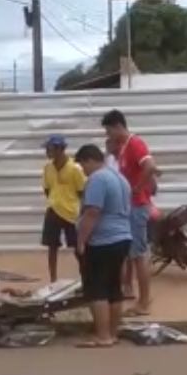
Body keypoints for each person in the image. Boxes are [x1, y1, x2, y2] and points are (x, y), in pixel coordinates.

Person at [72, 144, 134, 348]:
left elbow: (92, 212)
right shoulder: (120, 178)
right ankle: (112, 333)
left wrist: (81, 241)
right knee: (114, 288)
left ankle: (102, 335)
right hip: (123, 237)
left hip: (103, 240)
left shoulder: (98, 179)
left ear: (90, 160)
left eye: (83, 166)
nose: (83, 171)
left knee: (97, 288)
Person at [102, 109, 158, 316]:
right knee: (132, 254)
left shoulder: (135, 143)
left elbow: (150, 166)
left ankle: (144, 302)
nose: (108, 136)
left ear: (118, 127)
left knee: (138, 255)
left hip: (137, 206)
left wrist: (137, 188)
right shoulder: (124, 148)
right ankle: (134, 293)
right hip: (130, 206)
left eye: (109, 131)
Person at [39, 134, 87, 282]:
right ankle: (53, 279)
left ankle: (86, 277)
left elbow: (81, 192)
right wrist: (55, 201)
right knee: (52, 246)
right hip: (53, 210)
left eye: (50, 148)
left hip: (71, 213)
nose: (47, 151)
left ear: (60, 149)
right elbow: (47, 189)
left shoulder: (74, 168)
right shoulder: (48, 168)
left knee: (78, 248)